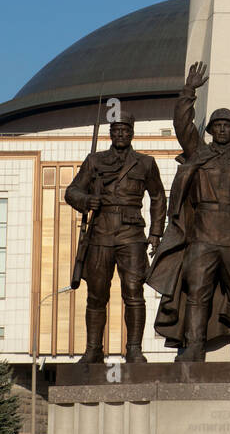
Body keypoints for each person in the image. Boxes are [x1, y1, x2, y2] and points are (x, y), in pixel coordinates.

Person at [146, 62, 230, 361]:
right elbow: (181, 125)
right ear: (211, 130)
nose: (221, 130)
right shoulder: (199, 153)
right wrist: (189, 91)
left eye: (226, 126)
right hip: (202, 235)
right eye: (216, 126)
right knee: (197, 293)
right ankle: (193, 348)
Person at [65, 114, 166, 364]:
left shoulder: (145, 163)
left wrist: (155, 233)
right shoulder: (95, 161)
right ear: (111, 133)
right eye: (116, 130)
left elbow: (158, 197)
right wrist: (87, 200)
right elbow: (72, 191)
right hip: (100, 232)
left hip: (131, 234)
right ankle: (93, 350)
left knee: (133, 291)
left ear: (132, 133)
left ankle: (133, 349)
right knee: (97, 294)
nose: (121, 135)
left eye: (125, 130)